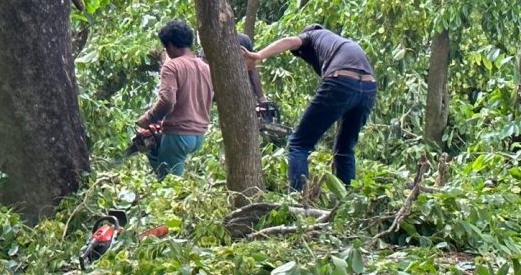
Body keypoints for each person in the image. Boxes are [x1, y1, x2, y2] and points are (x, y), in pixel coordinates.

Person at [242, 24, 376, 191]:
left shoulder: (312, 36)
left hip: (340, 80)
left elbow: (290, 41)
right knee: (344, 149)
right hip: (369, 88)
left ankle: (299, 199)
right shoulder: (338, 43)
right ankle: (347, 203)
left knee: (299, 144)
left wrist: (258, 56)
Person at [137, 20, 214, 179]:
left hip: (179, 134)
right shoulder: (205, 67)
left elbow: (167, 100)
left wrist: (148, 118)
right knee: (165, 167)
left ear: (170, 45)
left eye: (166, 48)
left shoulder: (172, 66)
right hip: (198, 134)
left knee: (170, 185)